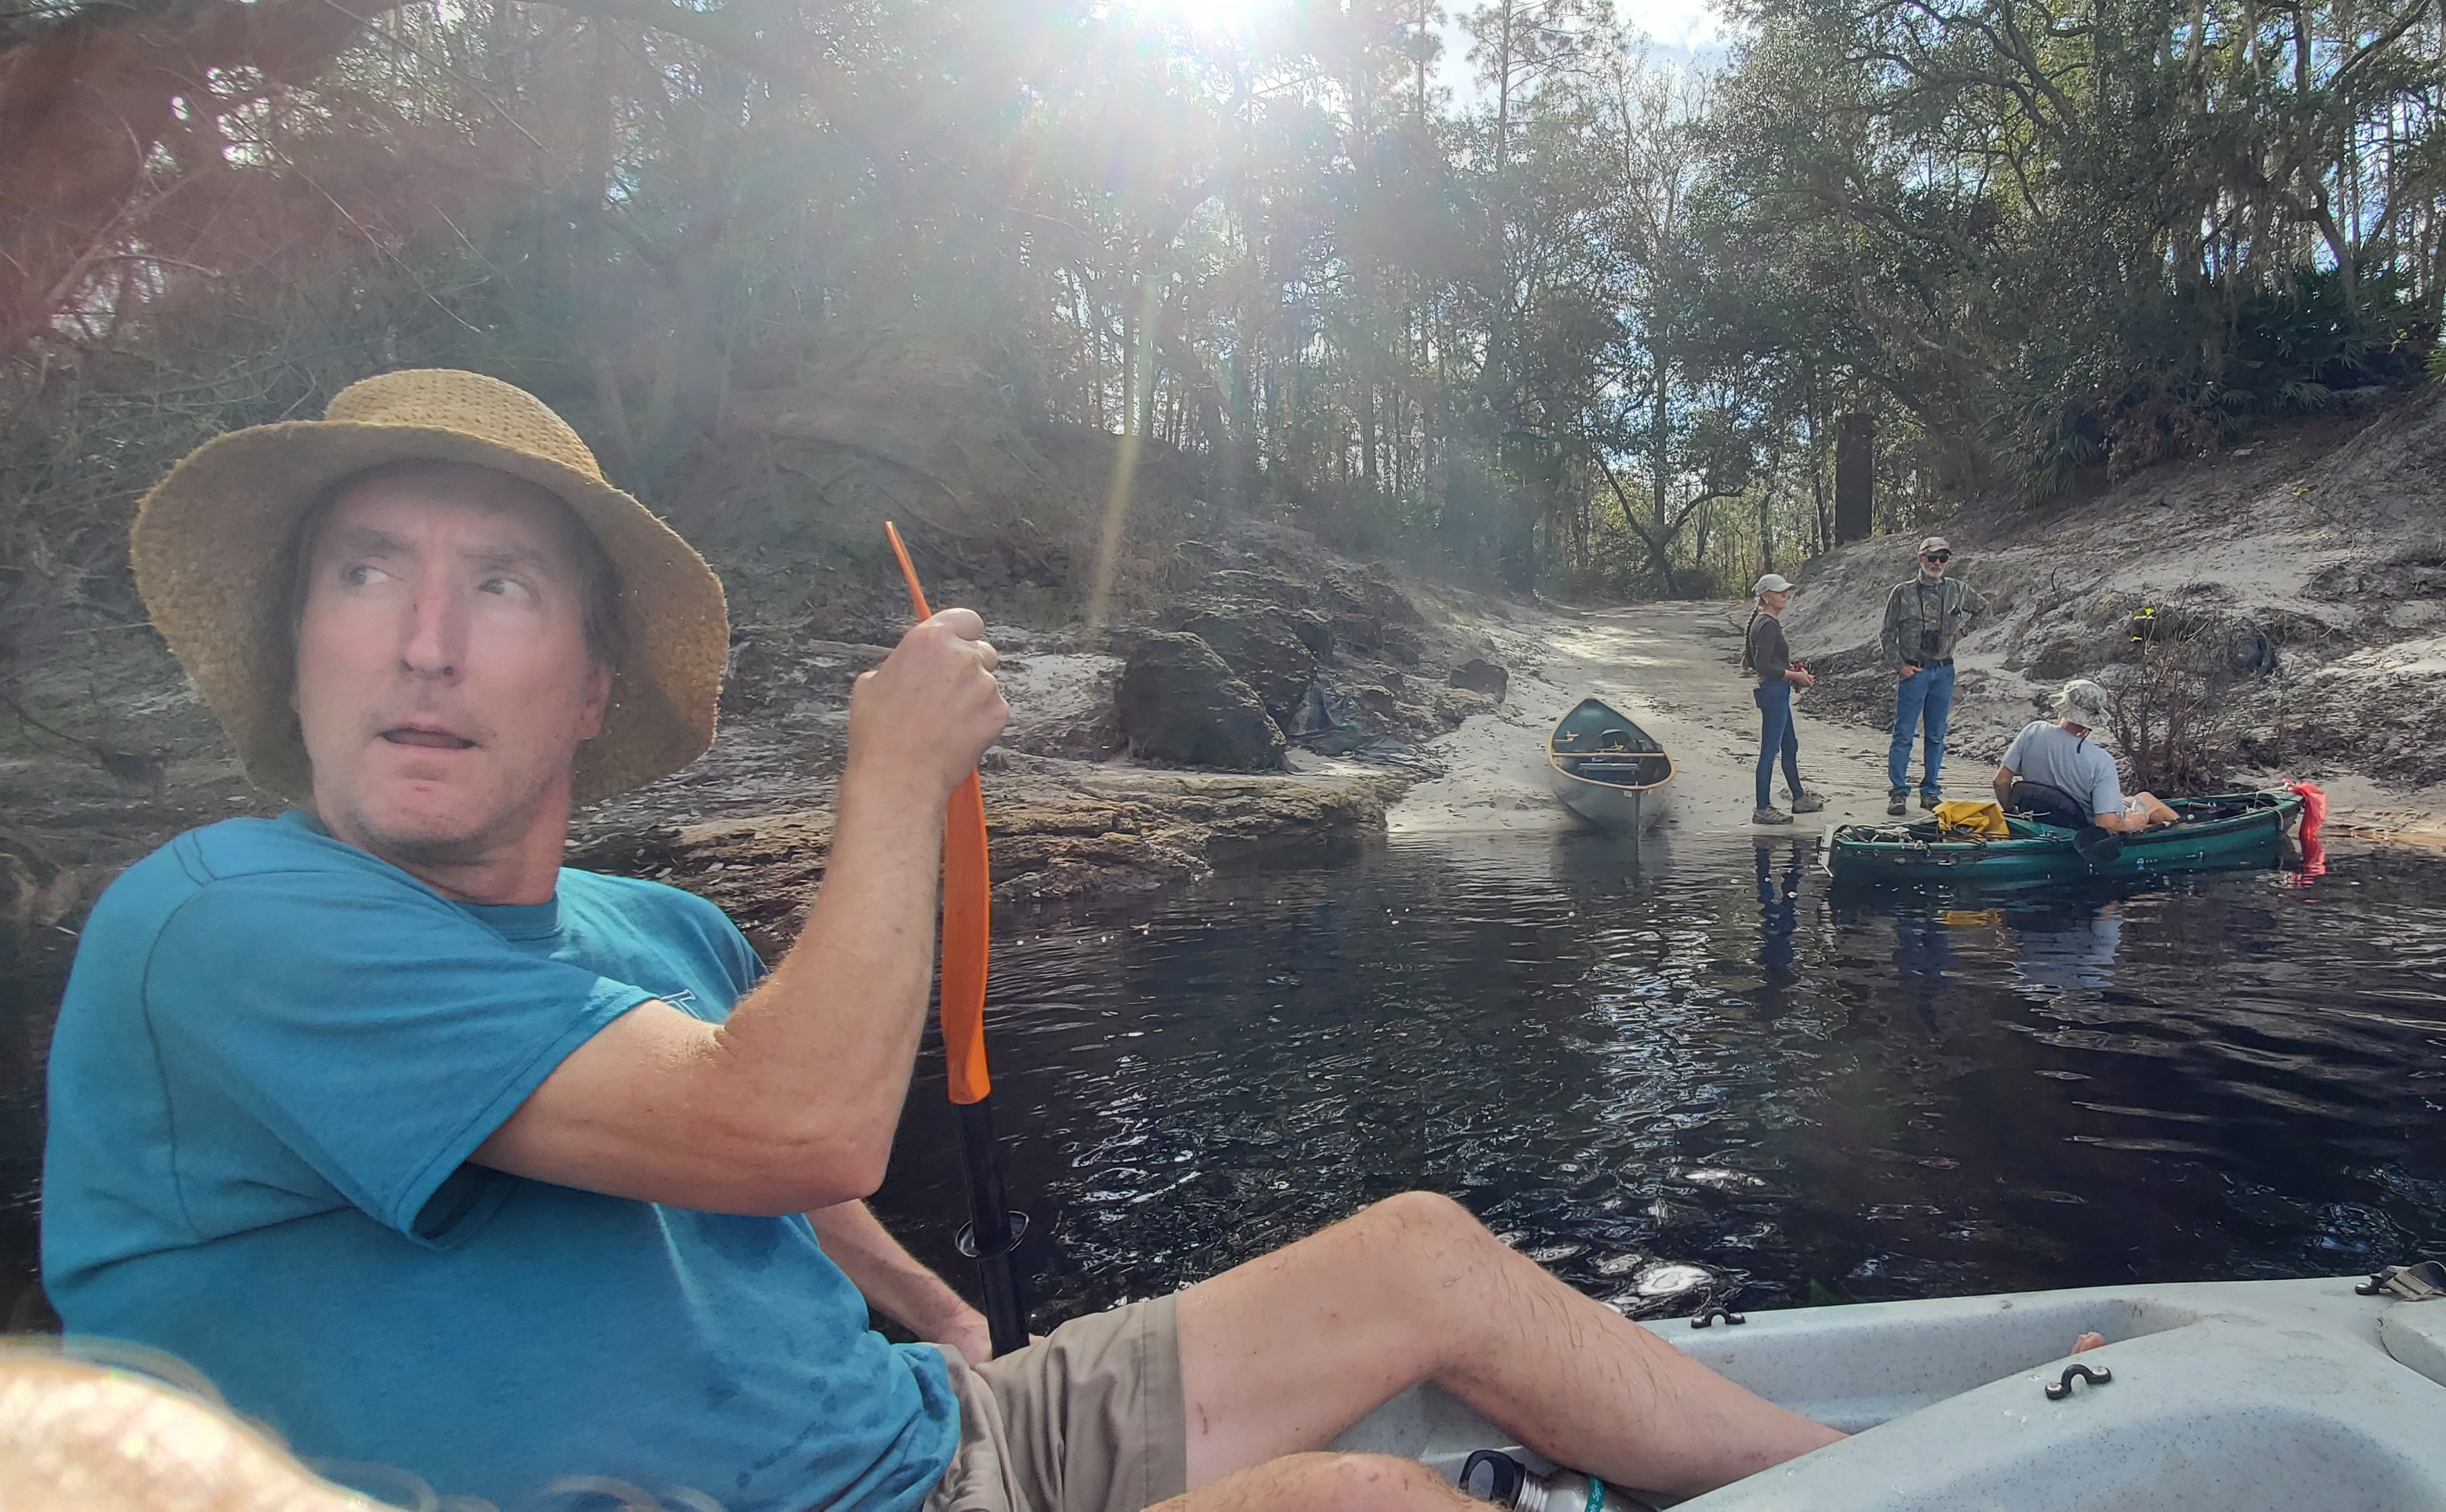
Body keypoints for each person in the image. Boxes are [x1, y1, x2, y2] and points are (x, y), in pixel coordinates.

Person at [41, 370, 1844, 1512]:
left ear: (591, 684)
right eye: (367, 571)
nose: (427, 639)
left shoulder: (647, 926)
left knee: (1431, 1256)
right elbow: (794, 1126)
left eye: (498, 582)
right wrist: (895, 778)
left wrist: (925, 1297)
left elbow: (781, 1189)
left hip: (936, 1436)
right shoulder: (216, 928)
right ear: (298, 650)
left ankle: (1900, 1487)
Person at [1879, 536, 1985, 816]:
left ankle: (1931, 791)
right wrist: (1899, 665)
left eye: (1943, 558)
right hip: (1914, 671)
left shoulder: (1958, 590)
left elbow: (1984, 608)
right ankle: (1899, 793)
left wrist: (1963, 633)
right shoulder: (1901, 593)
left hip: (1943, 670)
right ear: (1921, 559)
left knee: (1936, 735)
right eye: (1932, 558)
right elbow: (1887, 633)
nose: (1937, 563)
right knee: (1903, 734)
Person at [1992, 680, 2179, 837]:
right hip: (2082, 826)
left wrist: (2012, 812)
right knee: (2146, 799)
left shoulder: (2032, 731)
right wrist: (2131, 823)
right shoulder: (2101, 761)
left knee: (2121, 797)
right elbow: (2107, 824)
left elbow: (2001, 782)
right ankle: (2185, 832)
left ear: (2063, 709)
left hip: (2042, 815)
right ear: (2089, 724)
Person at [1741, 573, 1822, 826]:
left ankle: (1799, 798)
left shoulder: (1764, 622)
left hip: (1776, 690)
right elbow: (1764, 665)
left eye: (1786, 591)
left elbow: (1759, 662)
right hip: (1773, 691)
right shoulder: (1767, 624)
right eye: (1779, 592)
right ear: (1766, 596)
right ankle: (1762, 808)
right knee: (1770, 751)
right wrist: (1793, 674)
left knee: (1789, 745)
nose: (1785, 595)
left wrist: (1791, 676)